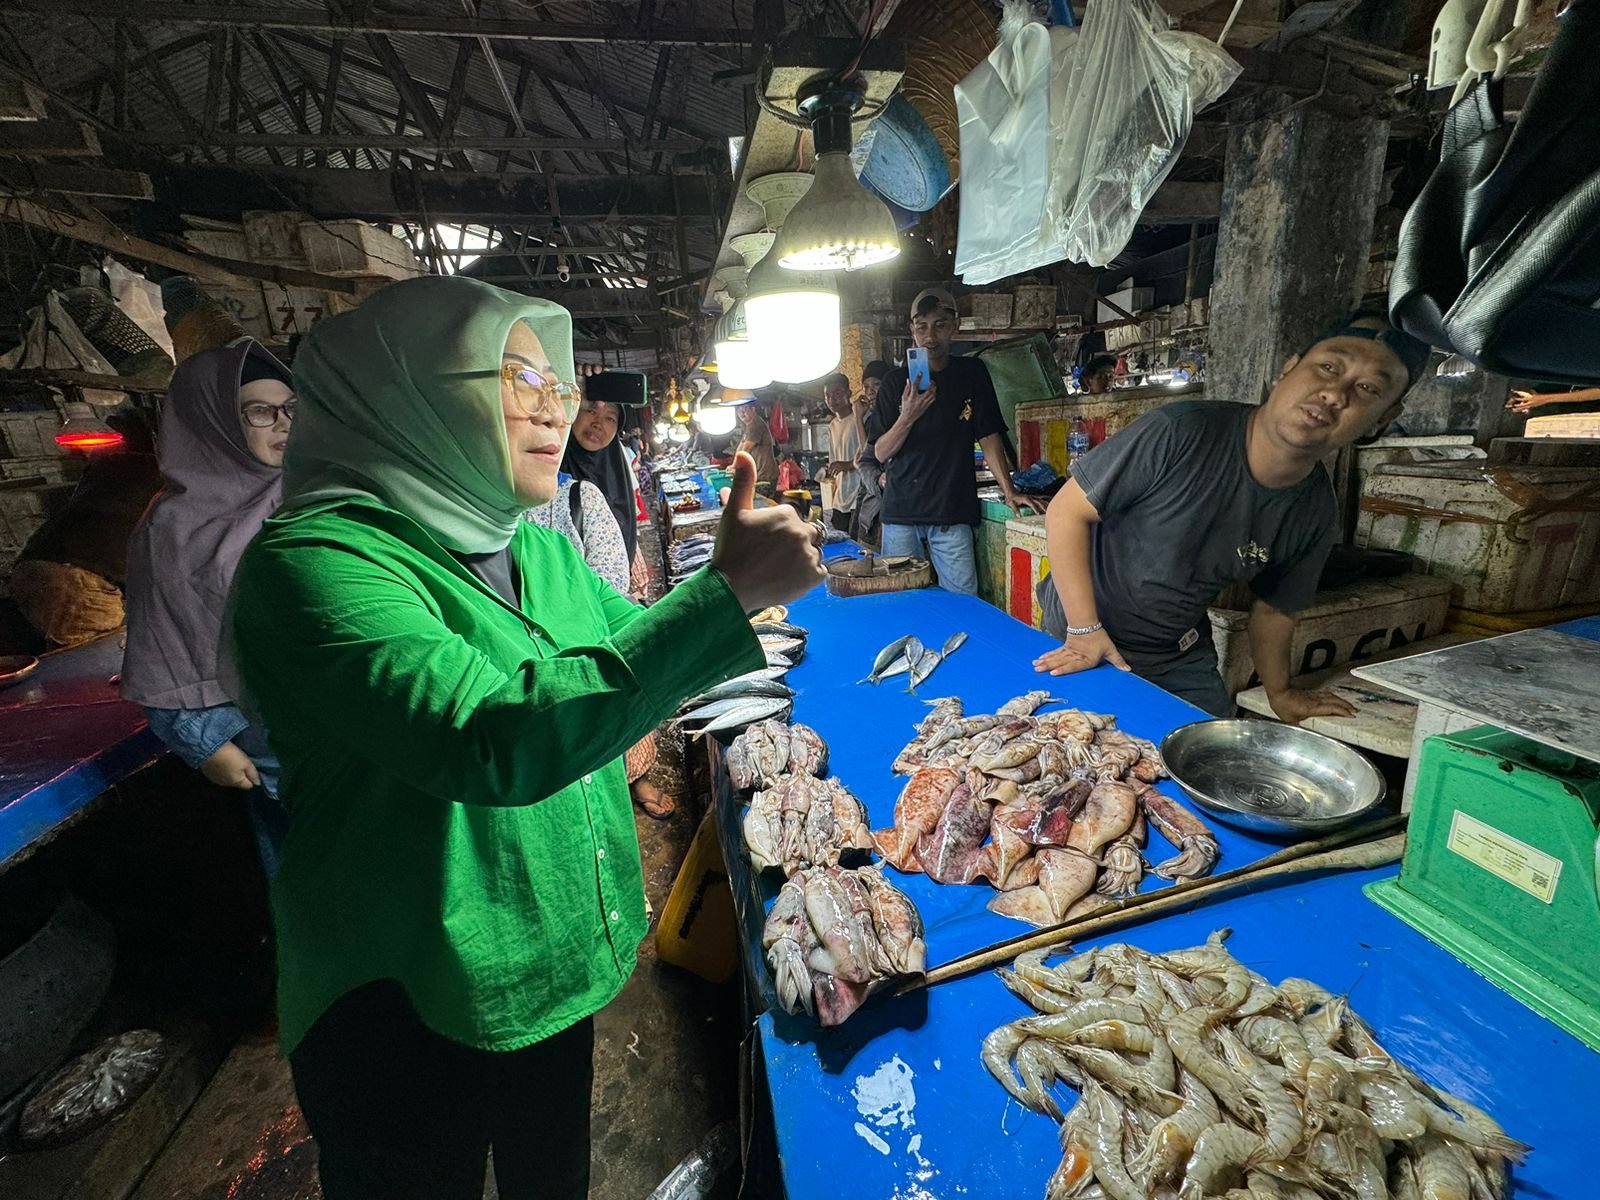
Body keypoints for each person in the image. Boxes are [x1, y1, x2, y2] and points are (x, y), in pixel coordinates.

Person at [227, 275, 823, 1200]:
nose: (553, 412)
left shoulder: (533, 545)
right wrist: (725, 599)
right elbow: (490, 737)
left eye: (561, 387)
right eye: (517, 384)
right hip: (406, 998)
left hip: (549, 965)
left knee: (555, 1180)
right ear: (413, 392)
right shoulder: (313, 564)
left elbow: (620, 661)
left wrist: (726, 609)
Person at [1033, 310, 1429, 721]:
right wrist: (1083, 630)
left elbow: (1274, 610)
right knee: (1075, 752)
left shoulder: (1313, 510)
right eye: (1328, 367)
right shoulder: (1181, 431)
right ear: (1288, 369)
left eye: (1366, 388)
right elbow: (1065, 512)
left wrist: (1281, 693)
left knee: (1205, 761)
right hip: (1080, 632)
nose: (1335, 393)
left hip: (1176, 653)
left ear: (1382, 419)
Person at [120, 340, 295, 875]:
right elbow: (163, 643)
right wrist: (204, 738)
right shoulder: (173, 528)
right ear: (210, 422)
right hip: (272, 746)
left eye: (292, 408)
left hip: (359, 726)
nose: (283, 423)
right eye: (261, 411)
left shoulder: (318, 494)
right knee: (316, 875)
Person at [865, 288, 1040, 595]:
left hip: (952, 510)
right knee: (903, 603)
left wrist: (1009, 491)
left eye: (940, 325)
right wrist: (907, 415)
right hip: (902, 513)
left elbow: (988, 434)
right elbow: (880, 452)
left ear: (955, 327)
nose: (930, 337)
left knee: (963, 603)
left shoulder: (971, 373)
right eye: (922, 327)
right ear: (912, 331)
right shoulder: (895, 382)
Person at [8, 407, 160, 650]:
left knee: (82, 659)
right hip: (75, 578)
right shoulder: (165, 477)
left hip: (37, 565)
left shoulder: (107, 469)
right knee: (100, 662)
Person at [853, 360, 891, 549]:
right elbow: (865, 457)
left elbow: (866, 457)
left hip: (884, 506)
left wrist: (858, 419)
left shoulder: (891, 417)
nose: (870, 391)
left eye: (877, 384)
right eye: (866, 386)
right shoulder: (872, 419)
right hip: (871, 506)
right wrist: (860, 419)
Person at [819, 371, 862, 537]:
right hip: (841, 497)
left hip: (858, 495)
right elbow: (834, 462)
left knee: (858, 544)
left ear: (849, 394)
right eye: (827, 395)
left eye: (837, 394)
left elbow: (869, 454)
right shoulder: (833, 425)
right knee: (840, 540)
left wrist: (848, 464)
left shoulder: (859, 419)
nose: (831, 400)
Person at [735, 399, 779, 489]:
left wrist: (735, 466)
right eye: (739, 410)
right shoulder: (748, 426)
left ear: (753, 409)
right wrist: (733, 465)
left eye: (745, 409)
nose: (742, 413)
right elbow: (741, 446)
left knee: (761, 502)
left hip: (764, 476)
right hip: (758, 475)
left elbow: (746, 449)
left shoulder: (756, 424)